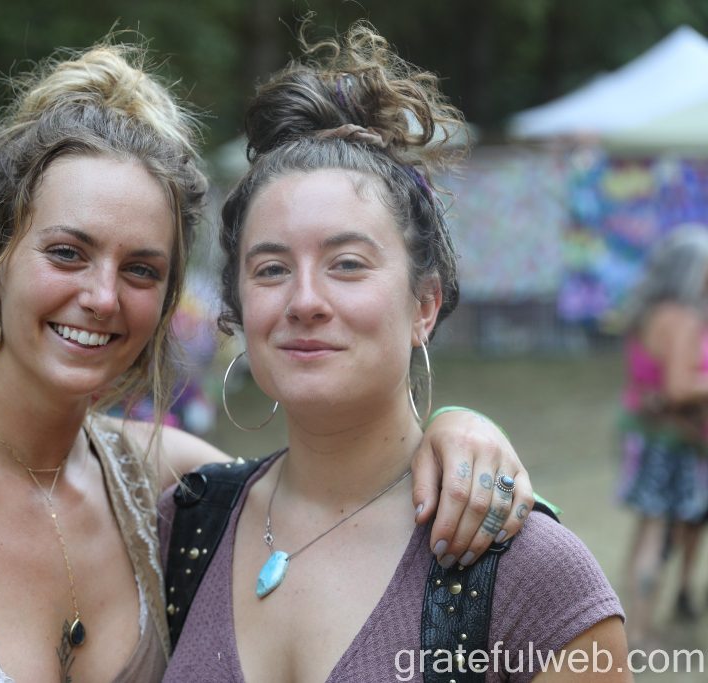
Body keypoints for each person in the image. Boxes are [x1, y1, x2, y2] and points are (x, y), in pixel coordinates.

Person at [0, 40, 534, 683]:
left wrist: (458, 427)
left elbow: (340, 480)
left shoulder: (170, 490)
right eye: (67, 252)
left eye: (141, 269)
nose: (101, 296)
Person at [160, 23, 628, 682]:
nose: (304, 300)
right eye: (271, 269)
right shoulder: (184, 527)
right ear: (238, 305)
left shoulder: (533, 578)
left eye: (347, 263)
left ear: (425, 304)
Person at [617, 227, 708, 646]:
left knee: (644, 533)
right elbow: (678, 388)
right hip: (669, 441)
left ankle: (626, 623)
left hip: (642, 433)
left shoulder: (648, 313)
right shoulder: (684, 319)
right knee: (657, 535)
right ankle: (638, 632)